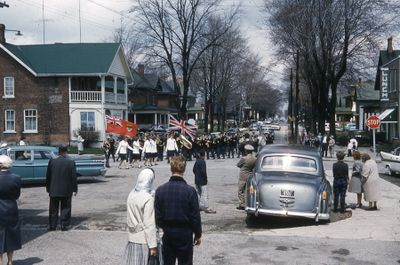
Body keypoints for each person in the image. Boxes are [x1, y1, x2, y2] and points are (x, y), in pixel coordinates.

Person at [155, 156, 202, 265]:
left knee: (167, 262)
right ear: (184, 169)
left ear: (171, 168)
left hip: (168, 232)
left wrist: (165, 226)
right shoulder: (190, 191)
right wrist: (198, 234)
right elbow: (195, 216)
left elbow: (158, 217)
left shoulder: (160, 190)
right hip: (185, 233)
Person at [122, 168, 158, 265]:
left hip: (132, 237)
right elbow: (149, 223)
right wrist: (153, 245)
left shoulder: (131, 193)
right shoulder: (148, 198)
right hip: (144, 240)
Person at [46, 145, 78, 231]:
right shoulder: (70, 162)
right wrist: (75, 189)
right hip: (66, 189)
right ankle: (64, 225)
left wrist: (48, 188)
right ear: (66, 152)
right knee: (66, 208)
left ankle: (52, 225)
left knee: (53, 209)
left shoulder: (52, 161)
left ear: (59, 152)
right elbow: (73, 177)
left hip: (53, 189)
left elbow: (48, 176)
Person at [0, 155, 21, 265]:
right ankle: (10, 261)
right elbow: (17, 195)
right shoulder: (16, 177)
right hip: (11, 208)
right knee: (11, 234)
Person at [193, 150, 216, 214]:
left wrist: (197, 175)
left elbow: (194, 170)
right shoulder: (203, 161)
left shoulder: (197, 161)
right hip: (202, 181)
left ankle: (198, 206)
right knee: (204, 194)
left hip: (197, 180)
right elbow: (203, 172)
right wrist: (205, 179)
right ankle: (206, 207)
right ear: (204, 155)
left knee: (198, 194)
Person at [236, 144, 257, 210]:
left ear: (246, 151)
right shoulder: (255, 158)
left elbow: (238, 165)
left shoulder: (244, 158)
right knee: (250, 190)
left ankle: (242, 204)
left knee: (241, 190)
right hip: (250, 175)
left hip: (243, 176)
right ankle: (250, 203)